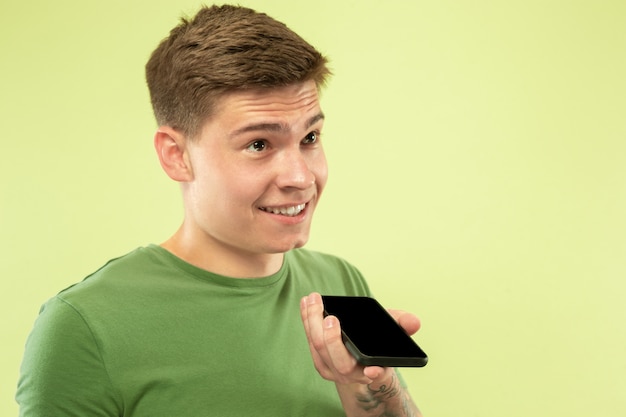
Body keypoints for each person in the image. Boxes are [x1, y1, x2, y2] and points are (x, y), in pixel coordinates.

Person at [16, 4, 424, 417]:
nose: (300, 177)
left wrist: (370, 384)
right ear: (176, 156)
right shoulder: (84, 327)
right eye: (259, 144)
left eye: (310, 136)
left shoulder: (339, 282)